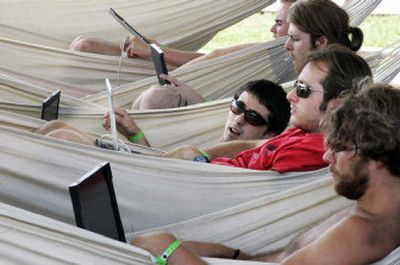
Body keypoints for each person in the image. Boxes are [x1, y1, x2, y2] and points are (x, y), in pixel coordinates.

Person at [130, 83, 400, 265]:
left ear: (376, 157)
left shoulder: (366, 234)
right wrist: (232, 253)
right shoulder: (368, 216)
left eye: (339, 148)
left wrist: (170, 251)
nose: (327, 157)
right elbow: (286, 257)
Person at [164, 45, 373, 173]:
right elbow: (258, 146)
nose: (291, 96)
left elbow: (245, 189)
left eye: (302, 90)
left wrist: (199, 163)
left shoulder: (308, 152)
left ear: (338, 103)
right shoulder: (305, 131)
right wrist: (200, 155)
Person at [133, 0, 364, 110]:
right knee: (156, 97)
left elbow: (262, 128)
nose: (285, 46)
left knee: (156, 99)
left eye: (293, 38)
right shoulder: (312, 74)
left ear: (321, 41)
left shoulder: (324, 85)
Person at [35, 79, 290, 147]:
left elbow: (162, 176)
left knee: (60, 134)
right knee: (55, 127)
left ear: (269, 133)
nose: (238, 119)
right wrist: (134, 134)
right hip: (146, 170)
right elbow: (162, 168)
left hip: (136, 186)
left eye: (252, 117)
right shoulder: (222, 149)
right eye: (238, 106)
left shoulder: (238, 163)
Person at [69, 0, 295, 67]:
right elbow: (213, 59)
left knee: (85, 47)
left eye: (278, 23)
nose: (272, 29)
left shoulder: (277, 54)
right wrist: (157, 49)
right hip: (185, 73)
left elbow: (216, 58)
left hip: (182, 83)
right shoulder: (275, 53)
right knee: (83, 44)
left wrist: (155, 51)